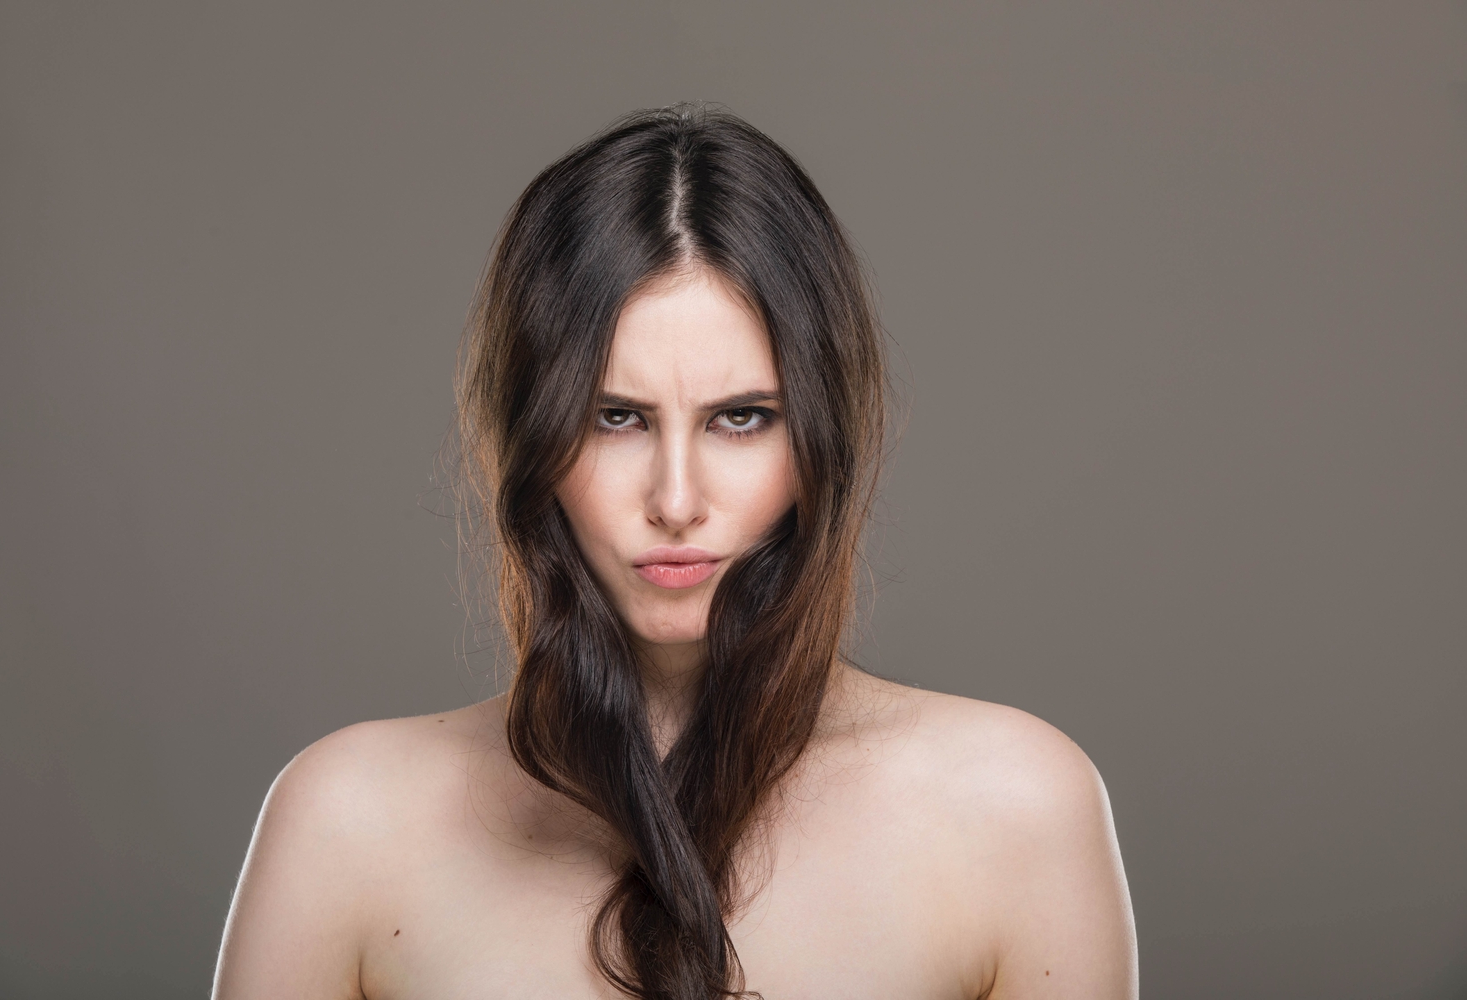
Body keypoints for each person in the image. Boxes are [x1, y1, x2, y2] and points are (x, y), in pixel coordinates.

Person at [211, 103, 1137, 1000]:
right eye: (616, 417)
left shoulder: (1014, 813)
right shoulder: (345, 827)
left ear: (821, 440)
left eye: (742, 418)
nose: (678, 501)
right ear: (531, 439)